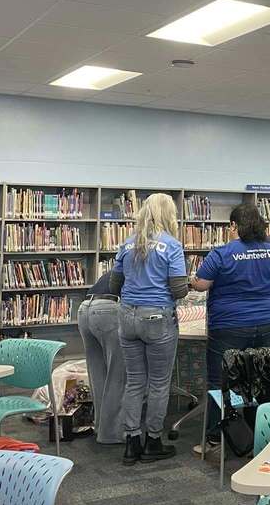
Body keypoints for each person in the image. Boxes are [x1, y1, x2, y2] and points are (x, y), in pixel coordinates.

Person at [189, 202, 270, 455]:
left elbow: (201, 285)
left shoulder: (222, 253)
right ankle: (259, 433)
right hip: (266, 322)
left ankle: (214, 438)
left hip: (229, 324)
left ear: (233, 225)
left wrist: (191, 279)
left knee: (218, 380)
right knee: (257, 376)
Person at [109, 193, 189, 466]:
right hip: (157, 317)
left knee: (134, 381)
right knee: (158, 383)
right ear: (168, 215)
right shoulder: (172, 245)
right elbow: (179, 290)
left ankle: (131, 441)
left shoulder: (127, 243)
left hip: (127, 317)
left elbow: (113, 286)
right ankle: (153, 440)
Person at [77, 269, 125, 445]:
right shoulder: (146, 267)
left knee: (98, 375)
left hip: (85, 308)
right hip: (109, 309)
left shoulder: (123, 261)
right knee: (117, 375)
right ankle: (111, 433)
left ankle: (100, 426)